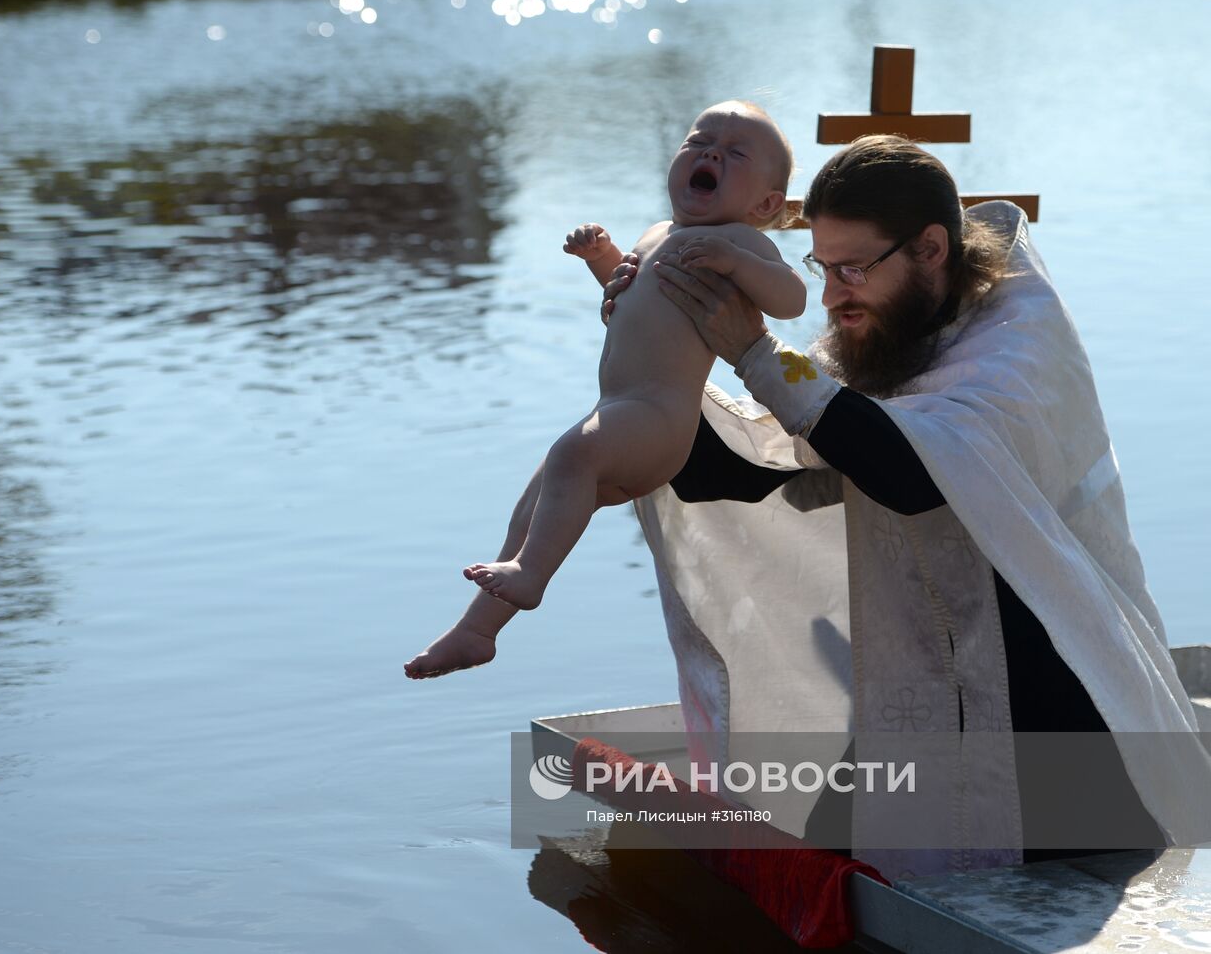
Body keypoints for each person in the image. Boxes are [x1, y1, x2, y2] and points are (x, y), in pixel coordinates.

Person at [608, 135, 1211, 877]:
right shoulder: (885, 339)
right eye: (820, 268)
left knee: (1066, 885)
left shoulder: (1023, 341)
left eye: (853, 269)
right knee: (829, 863)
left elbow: (913, 471)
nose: (831, 296)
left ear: (931, 249)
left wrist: (760, 354)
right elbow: (749, 470)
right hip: (924, 693)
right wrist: (656, 345)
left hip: (1066, 707)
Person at [405, 100, 806, 679]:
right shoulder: (659, 233)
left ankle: (531, 578)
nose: (711, 152)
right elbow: (636, 303)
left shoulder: (742, 241)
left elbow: (790, 300)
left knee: (570, 455)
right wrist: (604, 262)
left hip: (661, 421)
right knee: (535, 500)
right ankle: (476, 631)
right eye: (699, 141)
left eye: (735, 153)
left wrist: (737, 263)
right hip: (618, 411)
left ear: (766, 204)